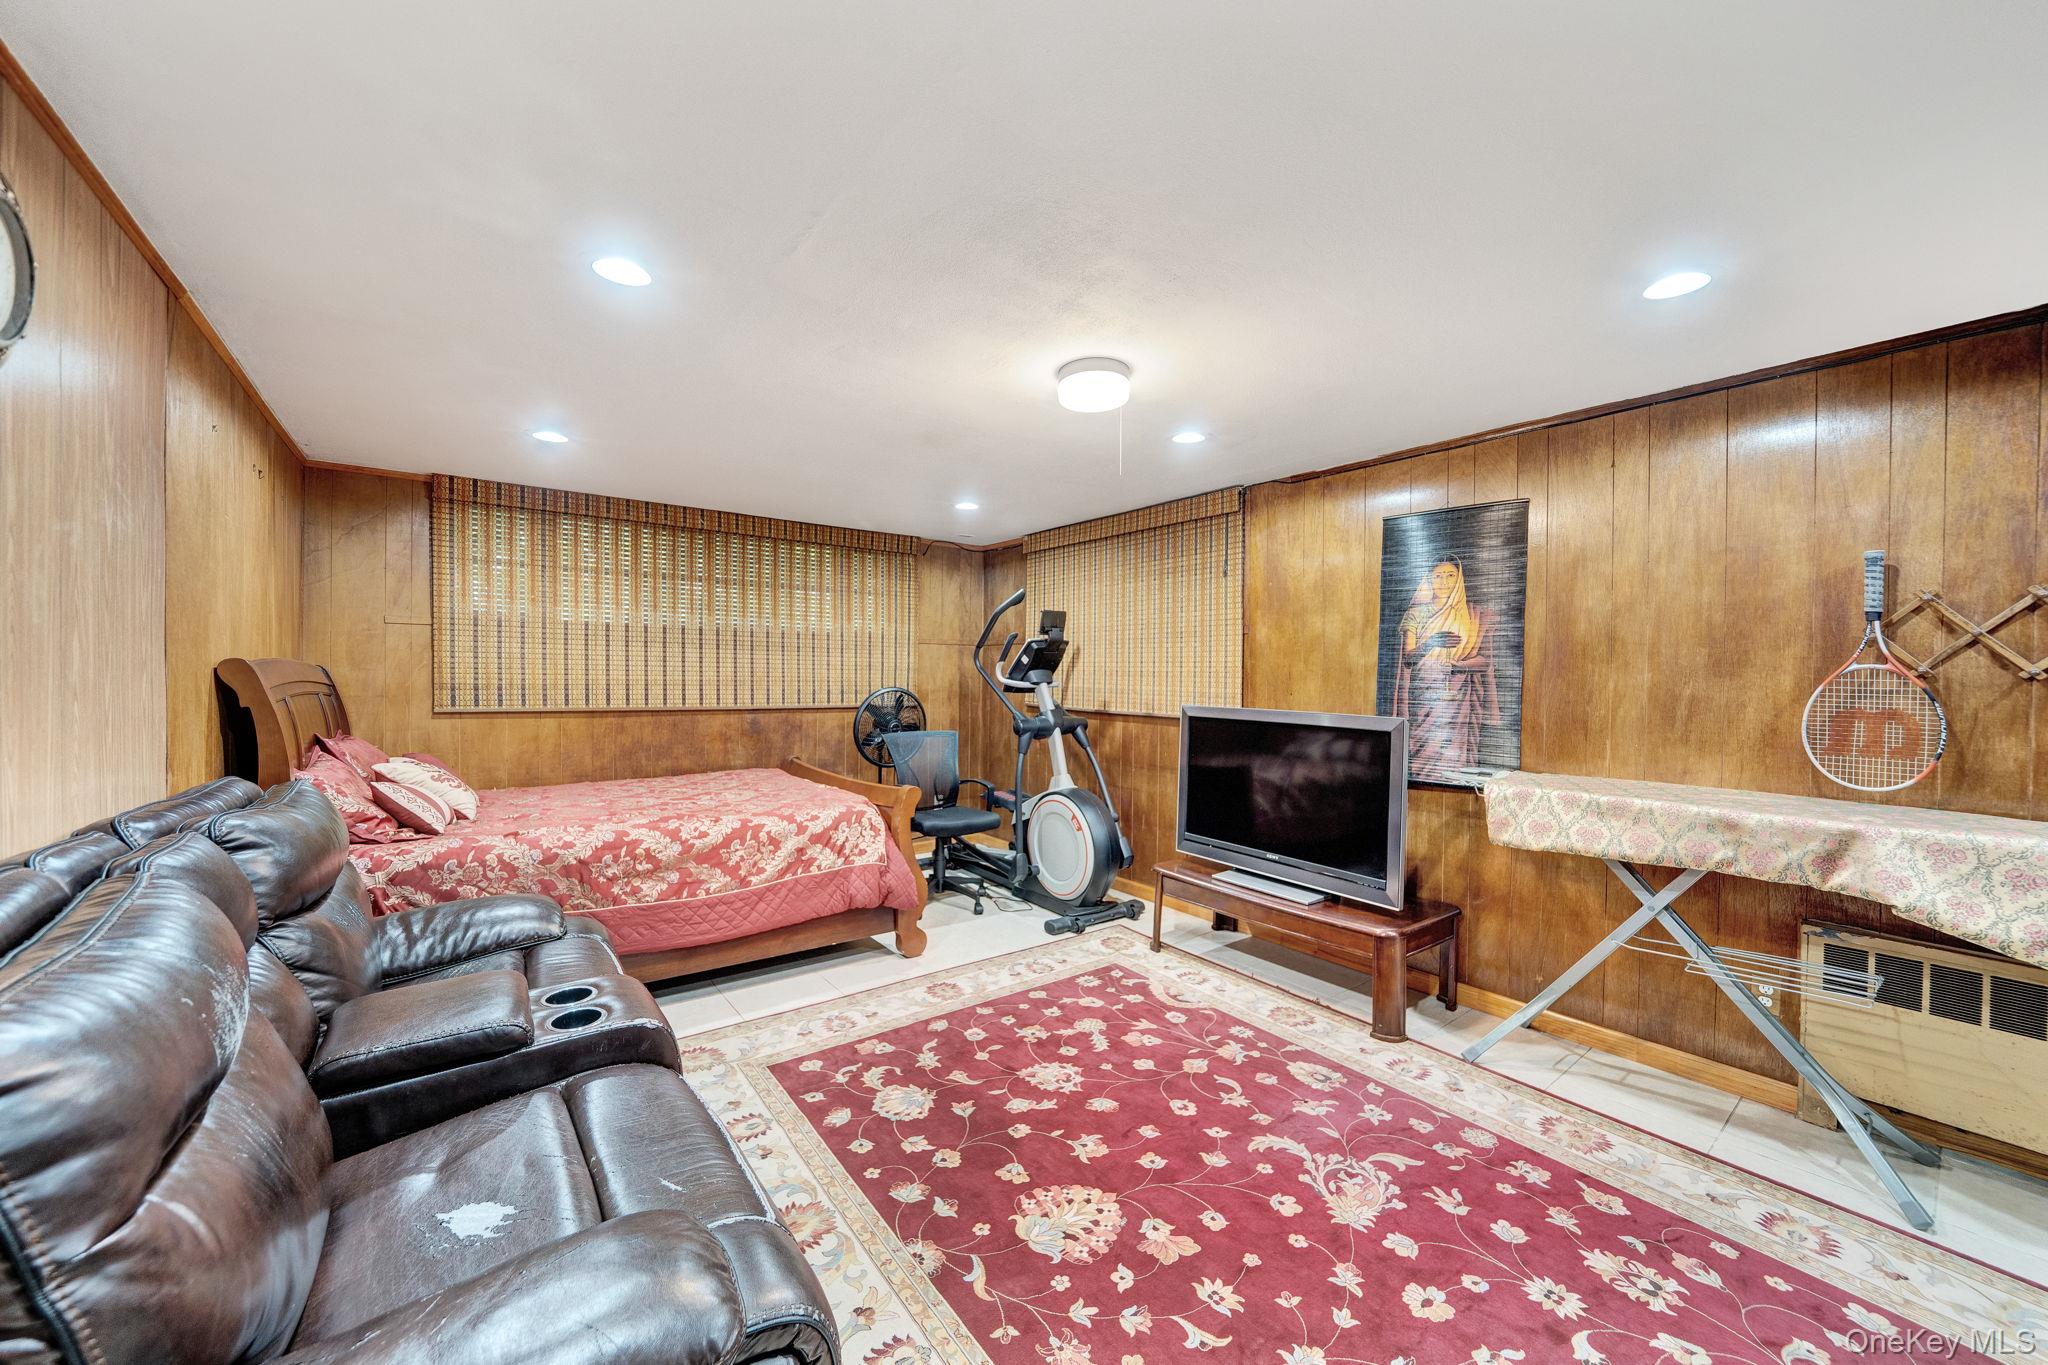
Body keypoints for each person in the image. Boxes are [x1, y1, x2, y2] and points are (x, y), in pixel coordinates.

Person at [1392, 555, 1500, 777]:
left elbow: (1485, 661)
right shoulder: (1416, 613)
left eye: (1450, 575)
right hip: (1424, 697)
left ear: (1459, 579)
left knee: (1454, 753)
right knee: (1424, 748)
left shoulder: (1474, 616)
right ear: (1429, 580)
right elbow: (1408, 659)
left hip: (1458, 698)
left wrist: (1460, 666)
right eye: (1437, 576)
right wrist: (1432, 642)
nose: (1443, 582)